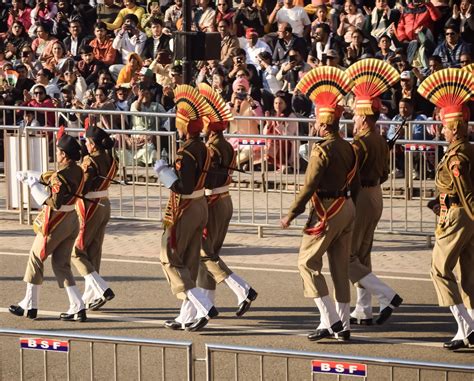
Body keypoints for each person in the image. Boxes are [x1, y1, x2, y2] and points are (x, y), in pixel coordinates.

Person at [280, 66, 359, 342]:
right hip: (347, 207)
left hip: (327, 209)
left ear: (324, 124)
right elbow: (356, 180)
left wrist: (291, 213)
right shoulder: (348, 146)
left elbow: (309, 185)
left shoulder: (321, 149)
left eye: (317, 120)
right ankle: (343, 325)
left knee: (306, 263)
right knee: (339, 269)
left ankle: (331, 320)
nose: (314, 123)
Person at [418, 68, 474, 350]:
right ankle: (468, 328)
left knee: (439, 270)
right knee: (468, 273)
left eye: (444, 126)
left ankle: (467, 326)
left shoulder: (459, 155)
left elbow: (464, 190)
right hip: (459, 214)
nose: (441, 130)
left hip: (457, 216)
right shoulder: (467, 148)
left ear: (454, 128)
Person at [345, 59, 404, 327]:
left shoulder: (359, 143)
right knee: (363, 253)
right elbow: (385, 174)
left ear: (365, 115)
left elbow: (352, 177)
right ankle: (363, 308)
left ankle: (387, 295)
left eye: (356, 114)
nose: (353, 118)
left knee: (347, 257)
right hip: (377, 195)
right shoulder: (380, 140)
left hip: (361, 198)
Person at [155, 84, 218, 332]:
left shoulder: (186, 152)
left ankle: (202, 304)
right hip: (201, 204)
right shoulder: (203, 147)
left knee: (169, 257)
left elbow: (183, 186)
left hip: (187, 207)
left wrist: (165, 174)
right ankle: (186, 316)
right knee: (190, 261)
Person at [9, 128, 86, 321]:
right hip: (72, 220)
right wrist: (34, 175)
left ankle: (29, 304)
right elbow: (53, 178)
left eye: (59, 152)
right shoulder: (77, 170)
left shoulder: (62, 176)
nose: (57, 155)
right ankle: (78, 305)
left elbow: (54, 201)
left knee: (35, 257)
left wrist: (33, 185)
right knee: (61, 264)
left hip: (57, 222)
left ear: (65, 155)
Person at [71, 126, 118, 311]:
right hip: (104, 203)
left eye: (87, 142)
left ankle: (100, 289)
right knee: (94, 250)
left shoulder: (90, 161)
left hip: (90, 205)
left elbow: (83, 185)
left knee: (77, 251)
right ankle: (91, 295)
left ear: (92, 144)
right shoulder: (112, 158)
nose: (85, 145)